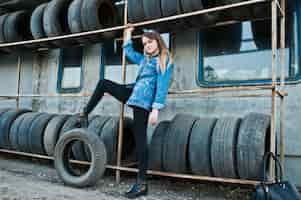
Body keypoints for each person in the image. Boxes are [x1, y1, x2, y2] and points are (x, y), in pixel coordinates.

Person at [79, 24, 174, 199]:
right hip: (133, 93)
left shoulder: (164, 59)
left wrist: (155, 109)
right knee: (103, 83)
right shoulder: (145, 59)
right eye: (145, 44)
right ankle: (85, 113)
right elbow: (129, 53)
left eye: (150, 42)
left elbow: (162, 86)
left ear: (158, 41)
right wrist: (128, 34)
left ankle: (141, 184)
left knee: (140, 141)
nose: (147, 46)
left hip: (143, 103)